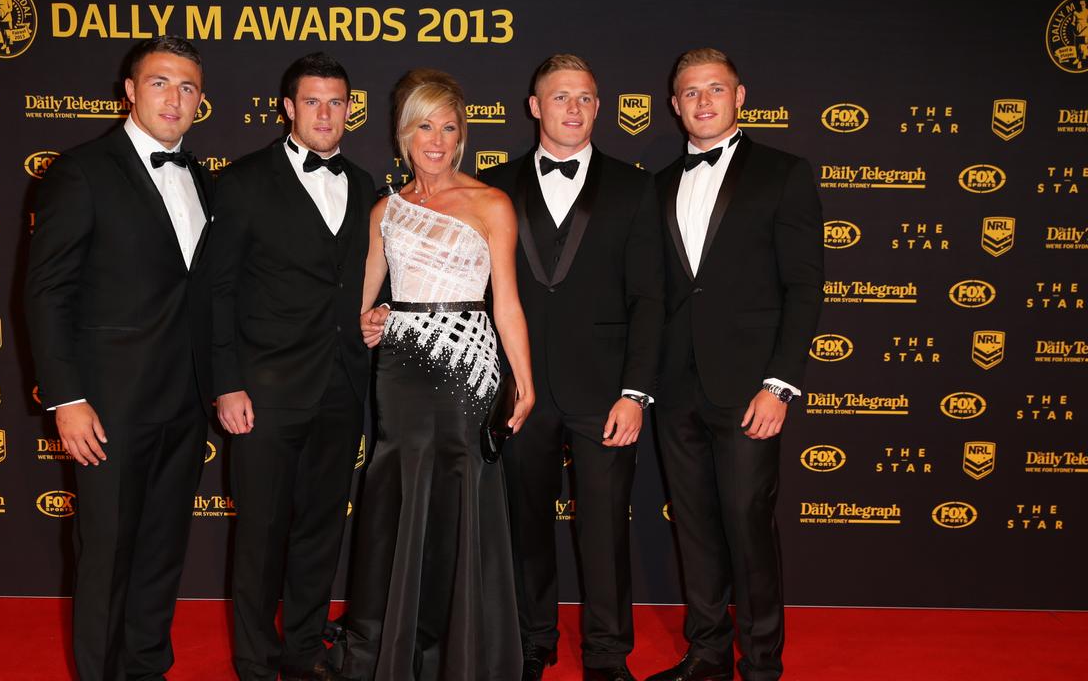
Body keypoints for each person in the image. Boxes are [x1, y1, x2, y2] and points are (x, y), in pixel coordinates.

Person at [24, 35, 213, 680]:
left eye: (187, 87)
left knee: (161, 553)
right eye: (160, 82)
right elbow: (46, 293)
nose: (175, 97)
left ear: (199, 102)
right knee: (106, 557)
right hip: (108, 407)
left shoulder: (205, 180)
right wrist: (66, 399)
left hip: (185, 403)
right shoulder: (81, 171)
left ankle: (146, 668)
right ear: (130, 91)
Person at [341, 68, 535, 680]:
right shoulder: (385, 211)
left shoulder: (490, 202)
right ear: (404, 132)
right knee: (403, 497)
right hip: (400, 370)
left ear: (462, 136)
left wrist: (523, 380)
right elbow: (361, 303)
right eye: (425, 124)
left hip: (469, 368)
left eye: (449, 127)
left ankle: (467, 654)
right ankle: (396, 651)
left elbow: (506, 300)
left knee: (463, 495)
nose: (437, 138)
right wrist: (371, 319)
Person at [477, 54, 664, 681]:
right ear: (534, 106)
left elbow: (649, 298)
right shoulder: (493, 185)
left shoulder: (635, 187)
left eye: (585, 97)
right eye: (560, 98)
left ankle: (608, 654)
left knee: (605, 530)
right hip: (519, 388)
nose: (574, 109)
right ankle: (532, 640)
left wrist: (636, 392)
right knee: (524, 523)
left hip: (606, 390)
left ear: (598, 105)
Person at [644, 48, 822, 681]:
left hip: (751, 388)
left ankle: (763, 665)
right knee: (694, 529)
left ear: (740, 95)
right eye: (690, 92)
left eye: (715, 89)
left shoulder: (783, 173)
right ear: (674, 104)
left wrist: (780, 385)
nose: (702, 101)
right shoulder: (659, 184)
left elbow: (804, 287)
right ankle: (708, 653)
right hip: (676, 387)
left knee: (748, 527)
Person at [210, 52, 376, 681]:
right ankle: (254, 662)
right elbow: (217, 291)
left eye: (337, 102)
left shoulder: (366, 187)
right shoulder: (245, 180)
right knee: (259, 534)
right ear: (287, 109)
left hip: (341, 385)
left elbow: (371, 279)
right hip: (265, 390)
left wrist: (378, 313)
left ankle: (303, 649)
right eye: (313, 102)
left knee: (320, 530)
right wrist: (226, 383)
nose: (326, 114)